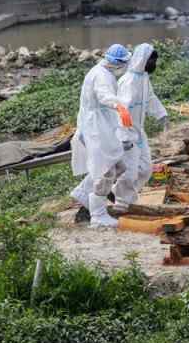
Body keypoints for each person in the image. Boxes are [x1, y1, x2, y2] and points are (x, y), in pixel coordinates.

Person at [70, 44, 134, 228]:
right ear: (117, 63)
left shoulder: (103, 71)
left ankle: (84, 193)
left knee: (119, 166)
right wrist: (119, 106)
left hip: (102, 125)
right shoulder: (101, 76)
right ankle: (98, 216)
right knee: (106, 170)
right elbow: (104, 96)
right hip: (96, 129)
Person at [113, 43, 168, 208]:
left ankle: (123, 194)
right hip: (127, 134)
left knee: (145, 169)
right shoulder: (128, 82)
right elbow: (121, 110)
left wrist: (162, 114)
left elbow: (150, 98)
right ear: (143, 60)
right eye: (151, 61)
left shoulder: (143, 78)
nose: (153, 65)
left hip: (139, 132)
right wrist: (124, 136)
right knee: (129, 172)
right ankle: (121, 203)